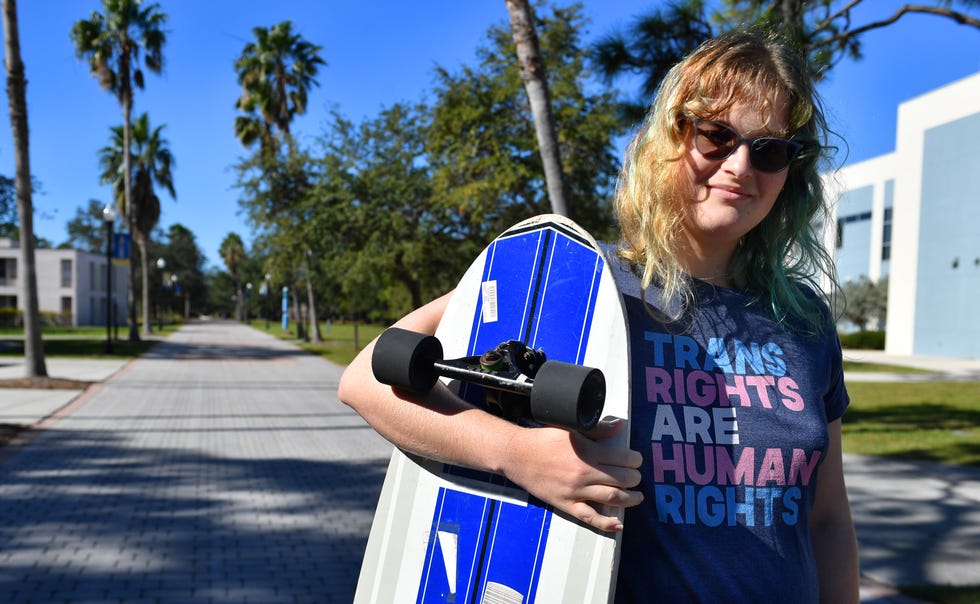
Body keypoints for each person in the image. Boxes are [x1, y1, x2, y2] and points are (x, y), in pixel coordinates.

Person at [339, 29, 859, 603]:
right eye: (716, 135)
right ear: (670, 136)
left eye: (769, 150)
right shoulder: (580, 282)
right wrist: (515, 455)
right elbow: (365, 377)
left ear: (791, 172)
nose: (739, 166)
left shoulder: (803, 319)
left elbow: (828, 519)